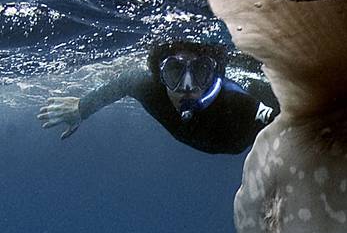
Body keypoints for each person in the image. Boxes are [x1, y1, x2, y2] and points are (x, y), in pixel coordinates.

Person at [38, 35, 279, 155]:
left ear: (214, 74)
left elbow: (299, 116)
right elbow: (125, 82)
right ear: (160, 76)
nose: (187, 86)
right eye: (175, 72)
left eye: (200, 71)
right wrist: (82, 108)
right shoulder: (149, 88)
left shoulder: (243, 102)